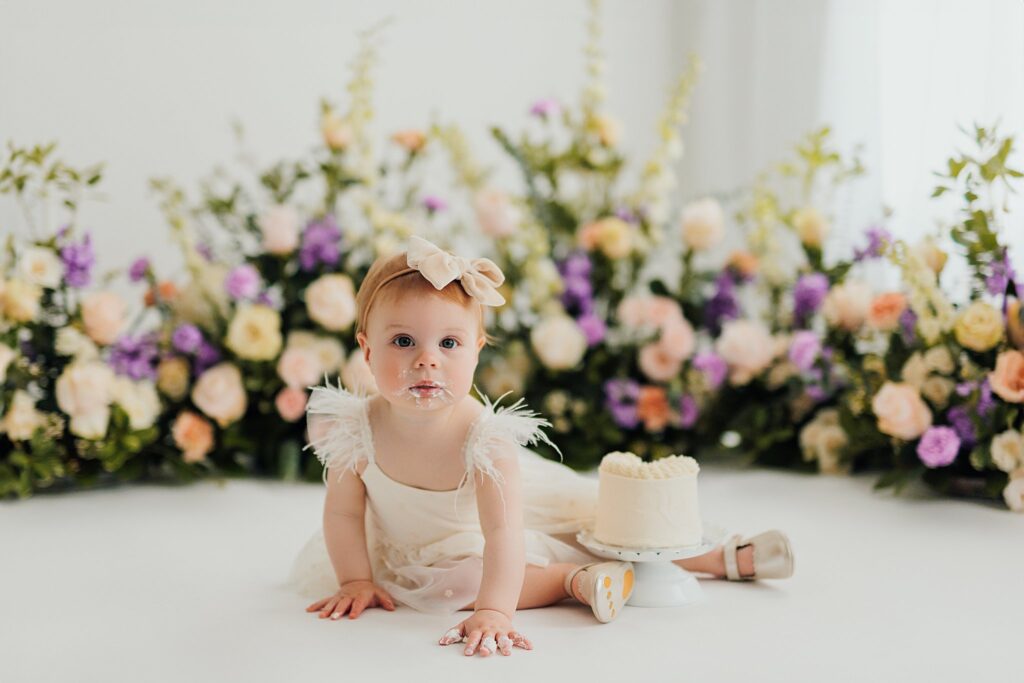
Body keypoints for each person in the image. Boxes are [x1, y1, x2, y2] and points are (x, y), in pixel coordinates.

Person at [288, 236, 794, 658]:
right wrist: (356, 578)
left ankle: (717, 557)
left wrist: (494, 611)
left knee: (598, 532)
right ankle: (580, 582)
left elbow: (503, 533)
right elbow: (343, 517)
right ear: (366, 348)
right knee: (454, 580)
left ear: (476, 351)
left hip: (496, 533)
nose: (427, 361)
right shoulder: (356, 430)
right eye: (403, 342)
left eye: (448, 343)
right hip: (409, 549)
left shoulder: (483, 441)